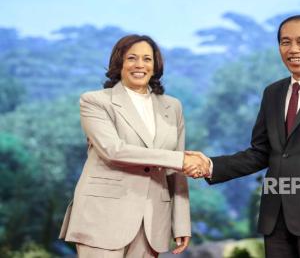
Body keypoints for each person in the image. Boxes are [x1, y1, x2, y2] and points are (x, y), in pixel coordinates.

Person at [184, 15, 300, 257]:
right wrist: (210, 165)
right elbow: (261, 153)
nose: (293, 50)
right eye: (285, 42)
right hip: (275, 221)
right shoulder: (273, 93)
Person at [59, 35, 204, 257]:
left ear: (155, 66)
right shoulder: (95, 101)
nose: (140, 65)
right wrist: (180, 160)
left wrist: (182, 222)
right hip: (103, 217)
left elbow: (176, 171)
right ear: (119, 63)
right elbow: (113, 150)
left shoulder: (173, 106)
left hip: (153, 222)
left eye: (147, 59)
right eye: (132, 58)